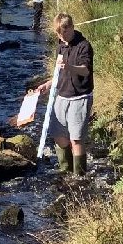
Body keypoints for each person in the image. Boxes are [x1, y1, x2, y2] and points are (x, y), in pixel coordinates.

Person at [36, 13, 94, 175]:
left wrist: (69, 67)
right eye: (59, 34)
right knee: (59, 137)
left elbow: (85, 70)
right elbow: (59, 73)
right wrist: (47, 85)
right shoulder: (60, 45)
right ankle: (65, 171)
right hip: (61, 96)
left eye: (65, 33)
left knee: (76, 139)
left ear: (72, 27)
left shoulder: (84, 46)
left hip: (80, 97)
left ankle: (79, 176)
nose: (62, 37)